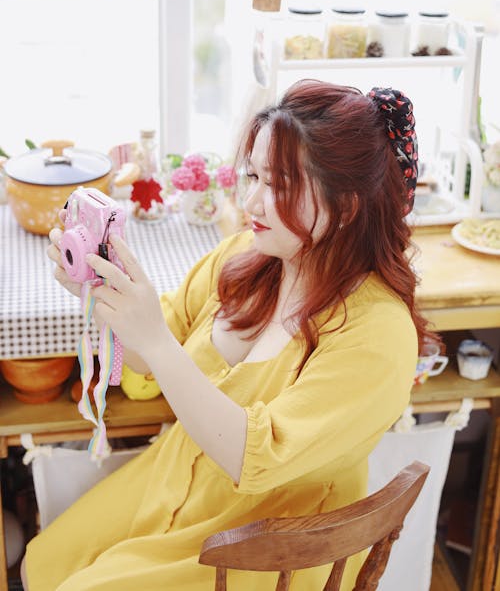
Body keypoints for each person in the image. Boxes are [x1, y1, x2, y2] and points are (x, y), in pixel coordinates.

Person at [22, 80, 436, 591]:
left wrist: (153, 339)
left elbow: (252, 456)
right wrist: (98, 289)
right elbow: (152, 356)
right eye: (254, 176)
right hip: (178, 479)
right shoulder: (246, 257)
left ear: (347, 206)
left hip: (268, 543)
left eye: (280, 186)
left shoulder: (378, 336)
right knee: (41, 564)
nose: (252, 202)